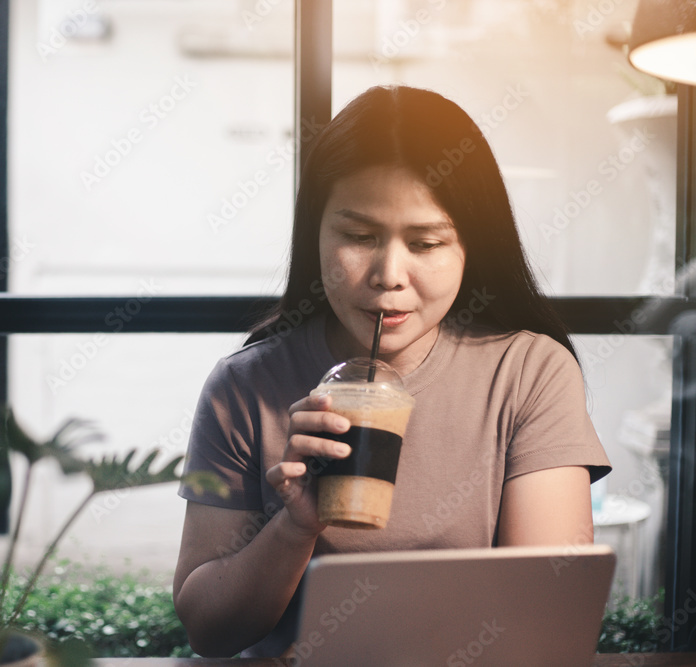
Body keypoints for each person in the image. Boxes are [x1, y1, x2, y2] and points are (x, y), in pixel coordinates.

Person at [172, 85, 612, 658]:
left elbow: (546, 615)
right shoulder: (246, 385)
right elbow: (209, 629)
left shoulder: (527, 371)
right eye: (358, 237)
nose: (388, 275)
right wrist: (294, 526)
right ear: (316, 235)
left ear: (470, 247)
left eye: (426, 242)